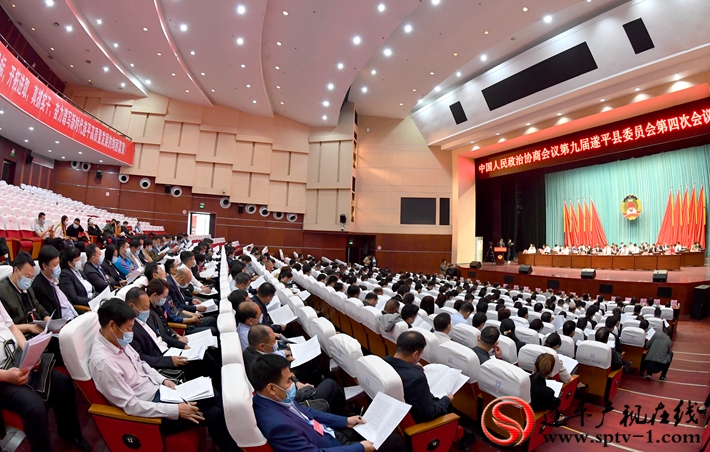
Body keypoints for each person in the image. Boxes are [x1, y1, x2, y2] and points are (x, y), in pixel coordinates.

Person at [89, 299, 238, 451]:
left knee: (213, 405)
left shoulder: (117, 340)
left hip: (161, 392)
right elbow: (131, 406)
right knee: (214, 406)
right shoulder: (103, 363)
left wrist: (163, 380)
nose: (131, 333)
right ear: (112, 326)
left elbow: (142, 363)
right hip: (150, 412)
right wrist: (176, 410)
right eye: (128, 328)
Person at [250, 354, 405, 452]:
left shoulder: (275, 398)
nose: (293, 384)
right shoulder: (277, 426)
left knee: (372, 426)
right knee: (394, 441)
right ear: (271, 388)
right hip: (332, 446)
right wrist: (360, 448)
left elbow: (307, 413)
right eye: (289, 380)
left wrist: (345, 421)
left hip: (329, 433)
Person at [0, 293, 89, 451]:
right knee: (34, 406)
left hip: (16, 359)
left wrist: (29, 352)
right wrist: (6, 376)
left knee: (63, 383)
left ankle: (69, 433)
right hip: (3, 376)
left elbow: (11, 327)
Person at [125, 286, 221, 385]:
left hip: (170, 350)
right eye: (145, 307)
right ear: (132, 306)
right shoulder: (129, 328)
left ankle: (220, 382)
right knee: (203, 361)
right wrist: (169, 361)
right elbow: (141, 358)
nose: (147, 310)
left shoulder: (147, 318)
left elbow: (161, 336)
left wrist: (182, 345)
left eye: (148, 306)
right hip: (162, 361)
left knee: (205, 352)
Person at [243, 325, 345, 414]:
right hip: (293, 405)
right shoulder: (262, 367)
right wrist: (307, 389)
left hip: (289, 395)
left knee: (314, 371)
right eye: (274, 341)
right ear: (262, 346)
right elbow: (286, 396)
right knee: (331, 385)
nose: (276, 343)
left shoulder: (249, 353)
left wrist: (296, 382)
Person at [383, 331, 453, 423]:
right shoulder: (416, 378)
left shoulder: (383, 362)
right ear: (415, 355)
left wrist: (412, 366)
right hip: (420, 423)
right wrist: (446, 400)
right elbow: (430, 413)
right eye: (420, 354)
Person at [0, 251, 52, 335]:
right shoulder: (3, 292)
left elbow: (37, 305)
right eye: (27, 276)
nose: (29, 280)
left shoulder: (26, 287)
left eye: (31, 277)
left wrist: (47, 318)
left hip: (37, 331)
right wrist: (29, 327)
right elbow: (4, 326)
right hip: (20, 336)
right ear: (16, 270)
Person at [31, 245, 79, 321]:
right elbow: (52, 316)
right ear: (45, 266)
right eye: (55, 265)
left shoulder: (56, 279)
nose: (58, 267)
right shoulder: (39, 287)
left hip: (75, 316)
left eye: (58, 264)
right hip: (64, 323)